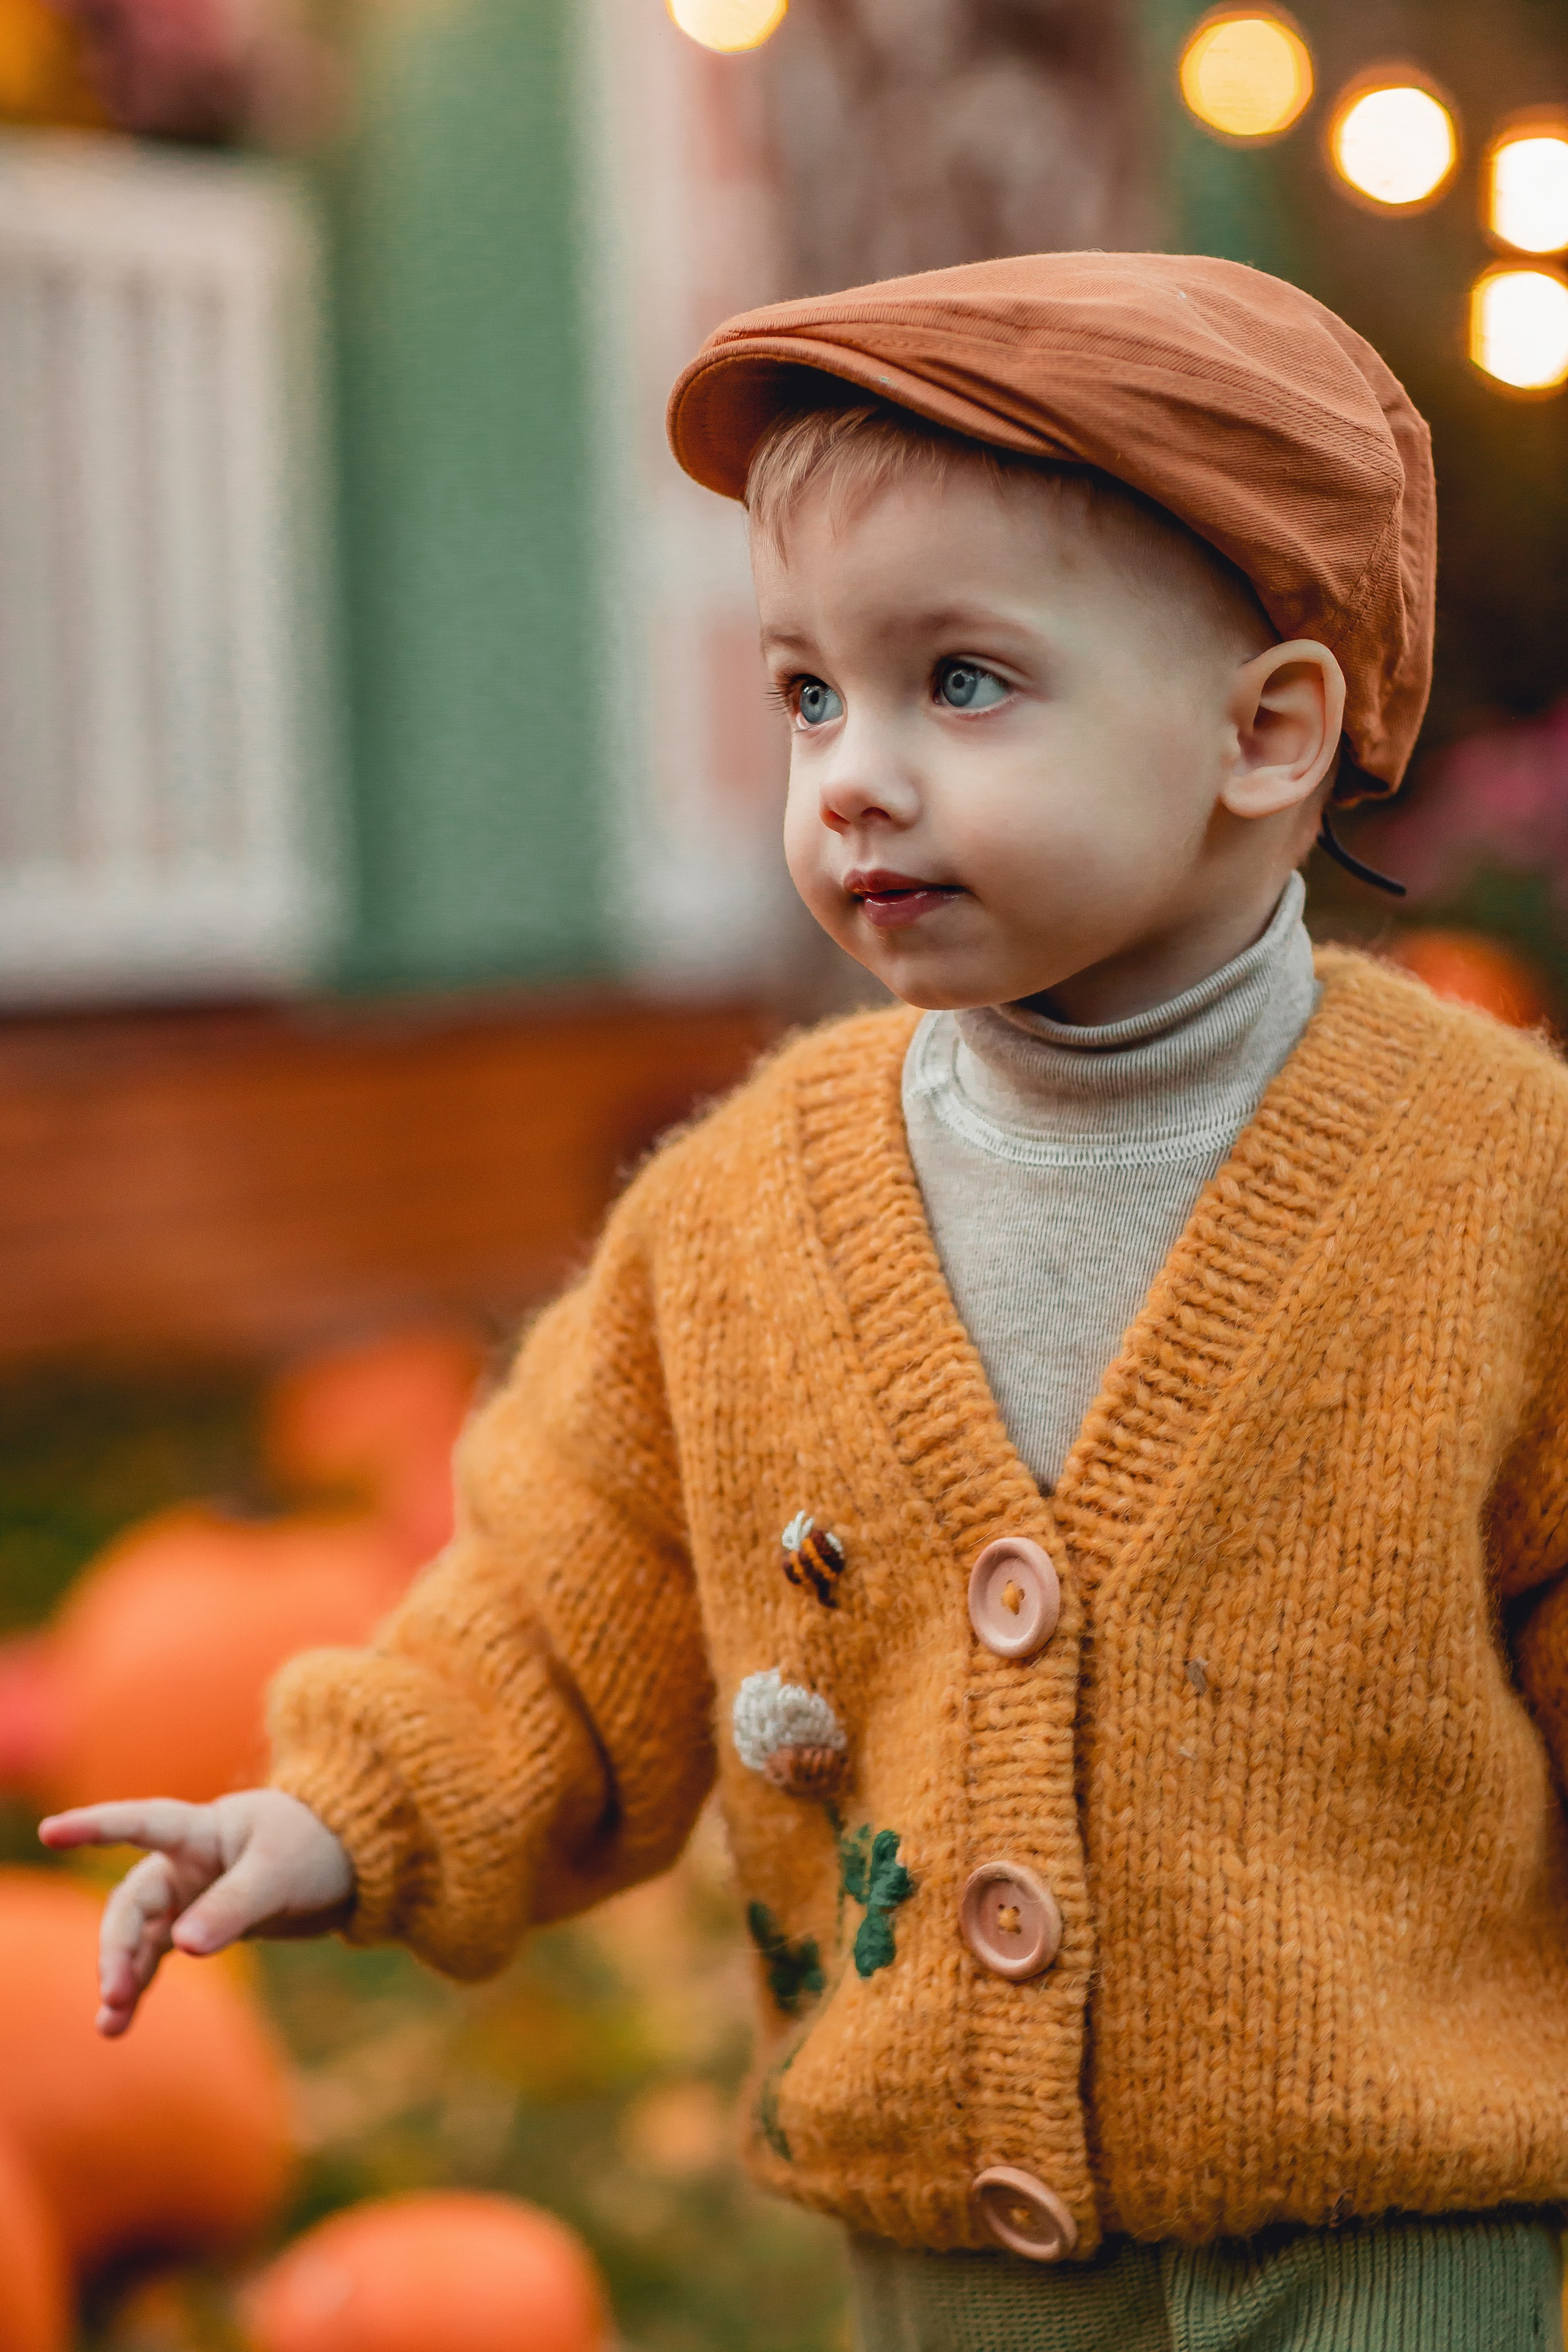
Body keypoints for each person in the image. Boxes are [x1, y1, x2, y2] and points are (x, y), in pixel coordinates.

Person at [43, 254, 1568, 2351]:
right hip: (948, 2262)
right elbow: (572, 1603)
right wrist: (338, 1812)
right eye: (806, 694)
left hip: (1391, 2241)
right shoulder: (747, 1209)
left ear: (1265, 728)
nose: (850, 775)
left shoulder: (1503, 1185)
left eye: (961, 682)